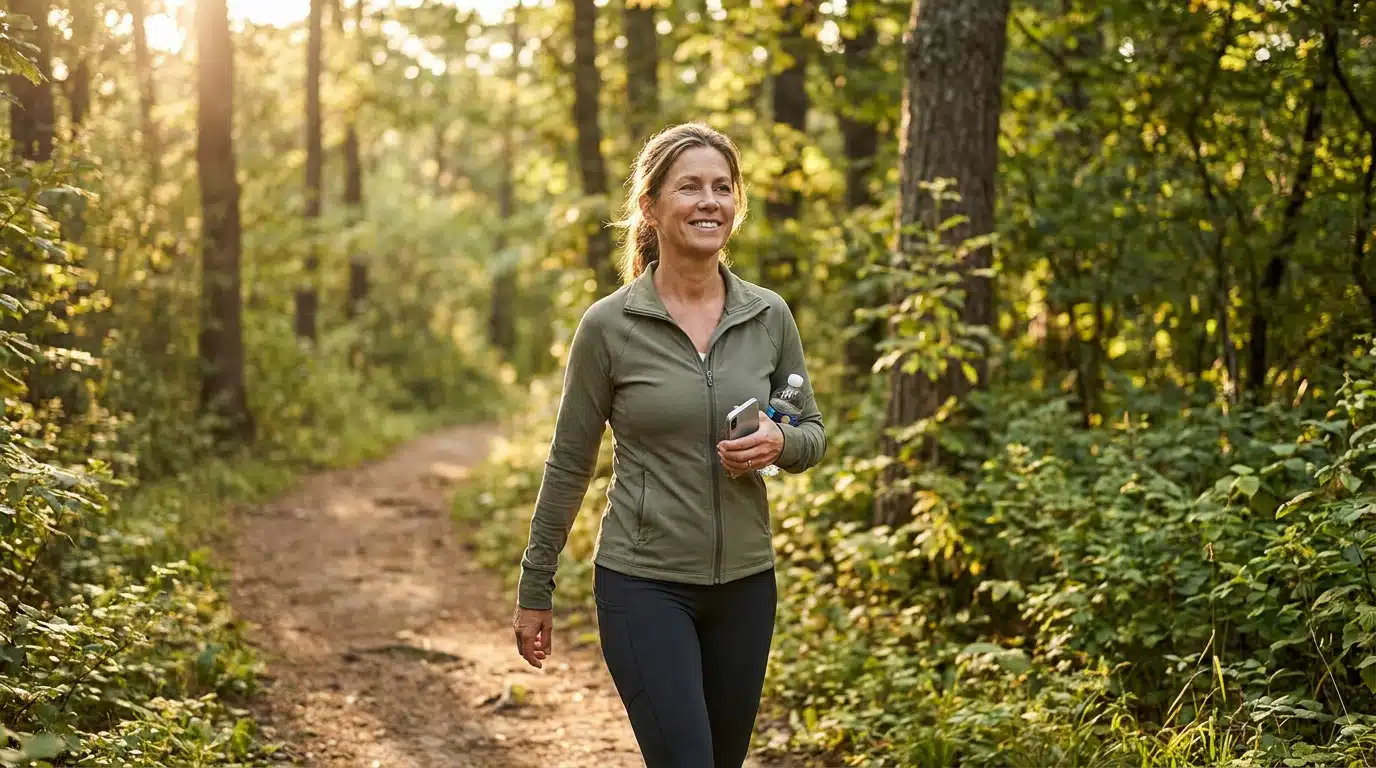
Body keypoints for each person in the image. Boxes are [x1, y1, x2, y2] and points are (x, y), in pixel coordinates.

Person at [510, 122, 827, 768]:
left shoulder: (768, 317)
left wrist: (778, 442)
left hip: (745, 585)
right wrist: (535, 585)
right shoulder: (609, 327)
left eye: (722, 187)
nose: (709, 201)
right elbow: (570, 462)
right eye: (690, 187)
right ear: (651, 209)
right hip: (643, 583)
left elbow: (811, 432)